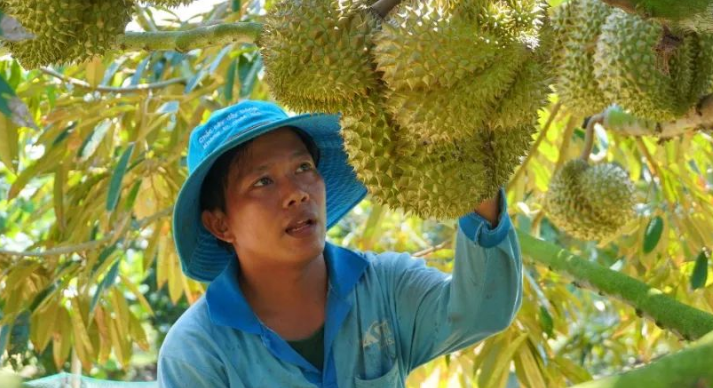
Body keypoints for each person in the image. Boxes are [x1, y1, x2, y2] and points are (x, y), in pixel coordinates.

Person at [157, 100, 523, 388]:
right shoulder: (196, 352)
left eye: (303, 168)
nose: (296, 194)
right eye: (263, 182)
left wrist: (475, 179)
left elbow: (481, 312)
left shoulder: (384, 286)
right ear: (220, 224)